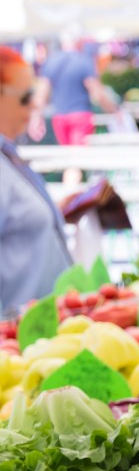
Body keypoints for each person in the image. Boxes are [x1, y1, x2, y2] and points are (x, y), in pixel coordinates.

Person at [0, 47, 72, 316]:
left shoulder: (7, 154)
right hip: (17, 341)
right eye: (25, 97)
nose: (34, 105)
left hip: (38, 336)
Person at [39, 34, 117, 146]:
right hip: (81, 116)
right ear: (79, 42)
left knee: (67, 155)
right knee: (78, 158)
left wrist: (36, 116)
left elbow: (42, 93)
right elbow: (97, 94)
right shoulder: (84, 61)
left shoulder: (51, 61)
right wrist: (113, 109)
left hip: (59, 116)